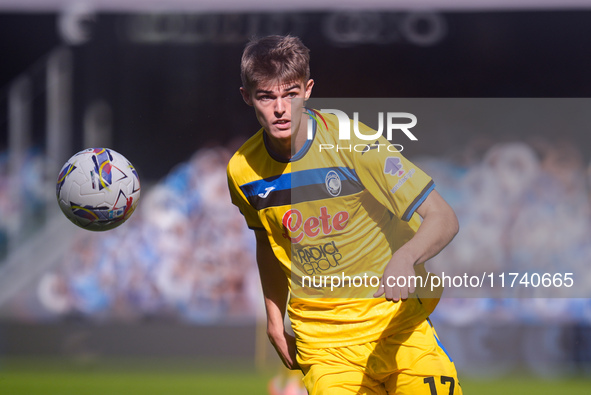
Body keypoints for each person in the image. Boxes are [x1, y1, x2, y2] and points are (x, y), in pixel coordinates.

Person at [227, 35, 462, 395]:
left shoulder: (355, 144)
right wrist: (275, 318)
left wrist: (405, 256)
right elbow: (268, 242)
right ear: (246, 97)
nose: (280, 109)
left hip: (398, 329)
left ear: (307, 90)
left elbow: (444, 217)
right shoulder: (242, 171)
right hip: (325, 347)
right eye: (266, 96)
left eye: (290, 94)